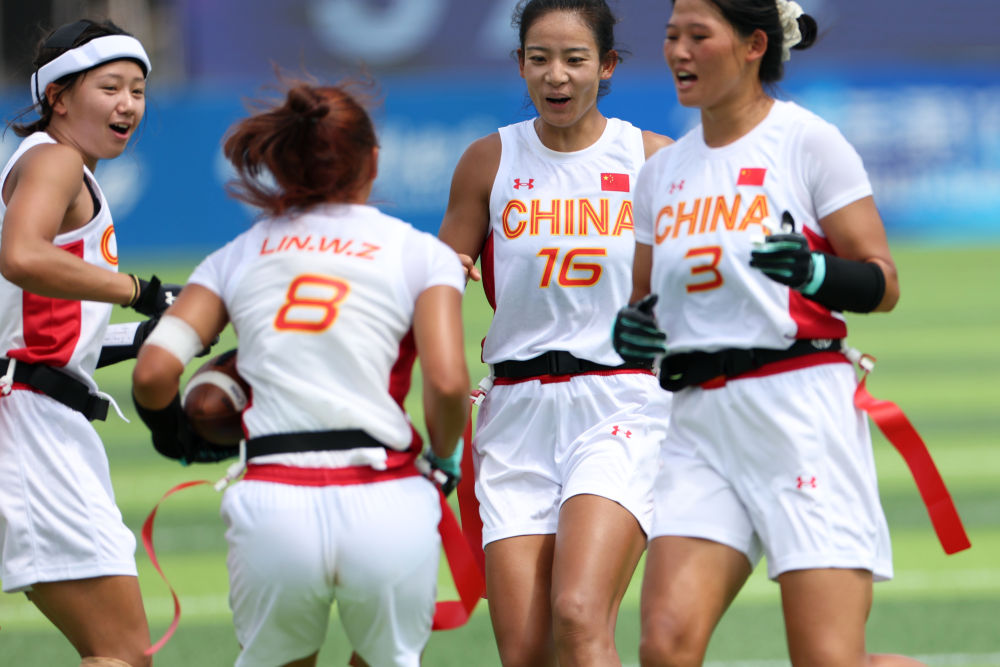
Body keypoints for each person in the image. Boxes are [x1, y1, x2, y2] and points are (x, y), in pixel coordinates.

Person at [613, 1, 926, 665]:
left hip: (800, 413)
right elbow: (644, 306)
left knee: (828, 660)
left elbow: (884, 282)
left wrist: (816, 271)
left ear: (755, 45)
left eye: (699, 36)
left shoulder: (807, 142)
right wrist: (632, 332)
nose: (679, 51)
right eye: (672, 36)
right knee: (664, 647)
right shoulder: (661, 173)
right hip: (697, 424)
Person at [131, 78, 470, 667]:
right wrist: (443, 461)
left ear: (281, 166)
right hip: (386, 500)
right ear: (373, 160)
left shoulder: (235, 255)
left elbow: (153, 372)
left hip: (274, 504)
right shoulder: (422, 253)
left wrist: (174, 434)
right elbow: (446, 382)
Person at [437, 1, 673, 664]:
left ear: (607, 65)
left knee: (578, 612)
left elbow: (706, 282)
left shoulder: (652, 159)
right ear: (520, 64)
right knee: (526, 652)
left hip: (622, 405)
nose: (556, 75)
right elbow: (436, 285)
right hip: (514, 416)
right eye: (539, 58)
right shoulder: (488, 160)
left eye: (575, 59)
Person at [0, 18, 182, 667]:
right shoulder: (56, 161)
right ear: (57, 96)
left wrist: (143, 333)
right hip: (30, 429)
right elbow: (20, 257)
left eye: (138, 89)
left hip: (29, 411)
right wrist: (137, 291)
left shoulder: (48, 164)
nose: (128, 104)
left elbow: (40, 335)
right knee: (122, 651)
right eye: (110, 87)